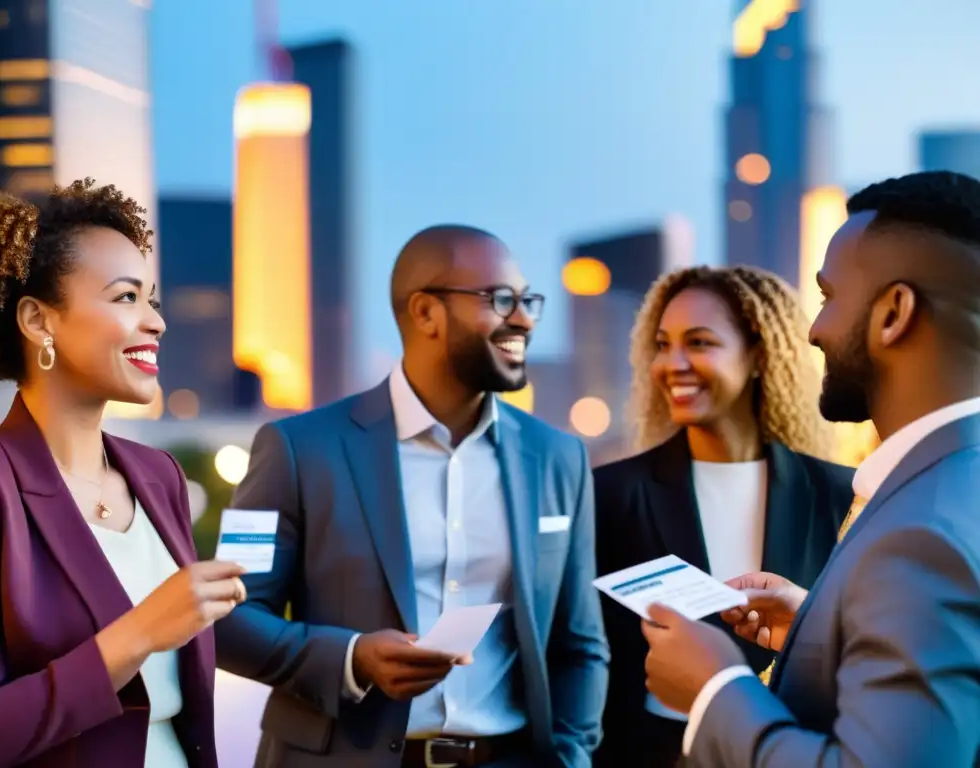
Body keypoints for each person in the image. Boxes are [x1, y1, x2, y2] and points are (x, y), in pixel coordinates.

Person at [215, 224, 609, 767]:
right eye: (499, 300)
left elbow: (579, 643)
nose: (523, 318)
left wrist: (571, 756)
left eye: (527, 300)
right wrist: (351, 659)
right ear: (425, 312)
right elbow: (228, 618)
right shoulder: (295, 448)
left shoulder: (558, 458)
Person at [642, 170, 980, 767]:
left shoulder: (919, 535)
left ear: (893, 313)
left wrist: (716, 690)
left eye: (827, 298)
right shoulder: (954, 483)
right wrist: (820, 629)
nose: (813, 330)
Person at [0, 180, 245, 768]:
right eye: (125, 298)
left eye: (152, 299)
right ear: (39, 320)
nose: (156, 322)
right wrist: (136, 634)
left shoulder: (157, 474)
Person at [592, 266, 854, 767]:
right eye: (663, 345)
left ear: (758, 355)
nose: (673, 363)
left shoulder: (841, 494)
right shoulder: (611, 495)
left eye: (699, 342)